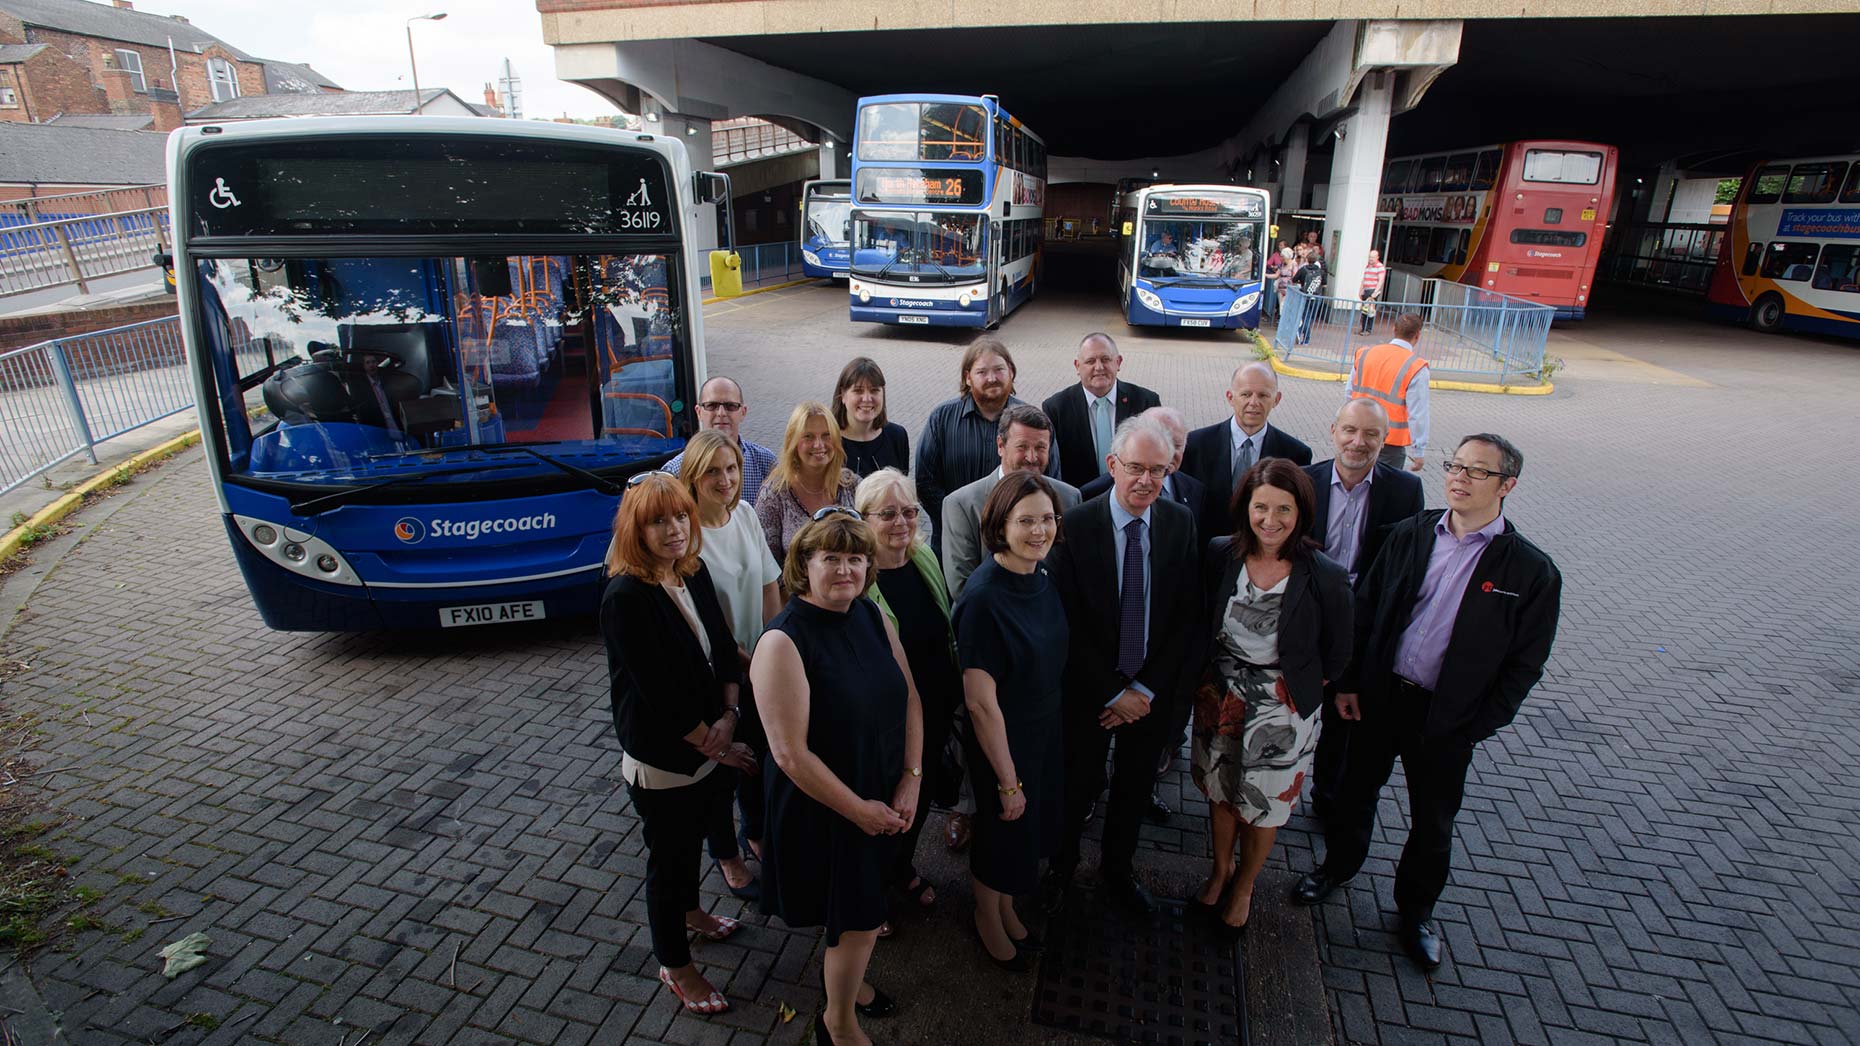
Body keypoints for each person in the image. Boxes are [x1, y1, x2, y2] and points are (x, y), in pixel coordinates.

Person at [1291, 434, 1562, 972]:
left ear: (1508, 485)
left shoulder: (1530, 572)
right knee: (1353, 793)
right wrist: (1347, 683)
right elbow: (1365, 611)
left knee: (1433, 822)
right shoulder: (1412, 534)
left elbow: (1524, 664)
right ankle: (1336, 869)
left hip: (1447, 719)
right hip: (1380, 698)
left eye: (1477, 471)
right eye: (1455, 465)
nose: (1459, 477)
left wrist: (1476, 725)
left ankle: (1414, 913)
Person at [755, 510, 925, 1044]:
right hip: (828, 803)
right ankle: (840, 1021)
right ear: (804, 564)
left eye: (856, 558)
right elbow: (789, 755)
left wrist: (912, 777)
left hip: (881, 795)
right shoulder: (783, 642)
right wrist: (860, 811)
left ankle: (849, 988)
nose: (846, 570)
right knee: (858, 916)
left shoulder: (870, 616)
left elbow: (911, 698)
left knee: (860, 910)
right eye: (831, 557)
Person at [600, 472, 757, 1017]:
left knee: (695, 840)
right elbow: (658, 695)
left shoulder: (693, 570)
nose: (674, 530)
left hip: (714, 739)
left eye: (681, 518)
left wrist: (733, 713)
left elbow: (722, 646)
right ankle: (676, 964)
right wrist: (715, 743)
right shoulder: (626, 596)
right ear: (635, 531)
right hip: (666, 759)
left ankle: (694, 915)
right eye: (658, 521)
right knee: (670, 862)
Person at [1044, 417, 1200, 914]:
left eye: (1158, 470)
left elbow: (1183, 617)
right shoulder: (1076, 523)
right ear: (1113, 465)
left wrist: (1145, 691)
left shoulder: (1179, 522)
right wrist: (1113, 692)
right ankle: (1060, 869)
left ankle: (1118, 870)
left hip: (1149, 694)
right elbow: (1066, 622)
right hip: (1091, 692)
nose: (1146, 481)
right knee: (1076, 785)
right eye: (1135, 468)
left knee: (1133, 790)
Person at [1190, 459, 1351, 936]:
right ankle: (1220, 871)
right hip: (1220, 696)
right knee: (1221, 793)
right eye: (1261, 507)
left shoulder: (1324, 575)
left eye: (1284, 508)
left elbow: (1338, 653)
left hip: (1283, 708)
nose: (1271, 519)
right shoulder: (1221, 554)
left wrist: (1295, 687)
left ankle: (1244, 886)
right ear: (1246, 507)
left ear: (1302, 513)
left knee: (1263, 806)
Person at [952, 471, 1069, 971]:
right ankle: (986, 915)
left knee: (1023, 833)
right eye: (1027, 521)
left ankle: (1004, 907)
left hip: (1043, 729)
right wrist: (1006, 779)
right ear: (1000, 524)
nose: (1040, 530)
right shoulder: (982, 599)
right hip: (1003, 737)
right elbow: (980, 703)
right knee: (1001, 832)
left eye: (1047, 519)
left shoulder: (1038, 575)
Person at [1301, 400, 1425, 822]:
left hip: (1364, 624)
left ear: (1384, 438)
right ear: (1334, 429)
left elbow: (1403, 564)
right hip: (1309, 617)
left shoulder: (1405, 491)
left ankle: (1326, 795)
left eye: (1371, 434)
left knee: (1345, 714)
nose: (1359, 442)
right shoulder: (1305, 482)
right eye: (1350, 430)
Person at [678, 430, 785, 897]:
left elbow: (768, 584)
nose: (725, 480)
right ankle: (726, 854)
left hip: (757, 662)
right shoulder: (687, 538)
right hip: (717, 672)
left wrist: (779, 646)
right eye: (713, 472)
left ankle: (757, 832)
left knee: (758, 757)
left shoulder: (743, 514)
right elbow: (708, 626)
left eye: (732, 469)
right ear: (693, 477)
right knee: (721, 770)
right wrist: (751, 663)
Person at [856, 469, 960, 924]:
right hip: (885, 723)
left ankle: (901, 867)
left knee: (916, 804)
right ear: (863, 519)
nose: (902, 522)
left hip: (933, 709)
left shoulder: (923, 558)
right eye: (888, 514)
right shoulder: (858, 579)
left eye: (909, 511)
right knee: (883, 806)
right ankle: (868, 892)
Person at [915, 338, 1063, 551]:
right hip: (955, 542)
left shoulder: (1034, 423)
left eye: (999, 370)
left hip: (1018, 544)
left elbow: (1051, 480)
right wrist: (959, 520)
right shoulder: (942, 418)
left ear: (1011, 372)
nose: (992, 378)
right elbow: (925, 481)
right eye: (982, 372)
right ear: (967, 377)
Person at [939, 405, 1082, 597]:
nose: (1032, 458)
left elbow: (1073, 573)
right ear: (1000, 446)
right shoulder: (961, 505)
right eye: (1022, 447)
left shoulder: (1069, 498)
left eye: (1040, 447)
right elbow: (962, 585)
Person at [1180, 362, 1313, 541]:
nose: (1254, 403)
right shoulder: (1195, 445)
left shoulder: (1296, 454)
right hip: (1206, 555)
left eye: (1263, 395)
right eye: (1246, 394)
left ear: (1277, 399)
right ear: (1230, 397)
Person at [1040, 332, 1161, 489]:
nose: (1099, 367)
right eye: (1090, 361)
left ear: (1118, 362)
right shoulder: (1056, 408)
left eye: (1106, 359)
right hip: (1079, 501)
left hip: (1133, 495)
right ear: (1077, 366)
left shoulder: (1146, 402)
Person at [757, 402, 859, 564]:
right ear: (793, 442)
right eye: (808, 436)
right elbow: (767, 567)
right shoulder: (774, 494)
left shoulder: (852, 485)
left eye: (826, 435)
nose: (818, 444)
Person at [662, 375, 778, 504]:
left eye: (730, 406)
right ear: (698, 412)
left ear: (743, 412)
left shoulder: (766, 463)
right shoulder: (676, 471)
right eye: (712, 405)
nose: (721, 413)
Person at [1346, 312, 1431, 472]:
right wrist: (1418, 450)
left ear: (1394, 329)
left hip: (1358, 433)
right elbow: (1418, 412)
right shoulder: (1416, 367)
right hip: (1389, 443)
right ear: (1418, 335)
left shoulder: (1365, 354)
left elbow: (1349, 393)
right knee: (1384, 490)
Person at [833, 357, 911, 477]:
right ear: (843, 394)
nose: (867, 399)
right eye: (858, 391)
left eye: (874, 390)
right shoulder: (829, 441)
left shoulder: (897, 436)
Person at [1292, 247, 1326, 346]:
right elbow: (1324, 283)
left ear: (1307, 260)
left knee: (1305, 316)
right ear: (1316, 260)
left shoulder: (1303, 269)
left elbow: (1294, 279)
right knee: (1310, 318)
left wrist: (1301, 282)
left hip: (1306, 295)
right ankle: (1306, 339)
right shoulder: (1321, 271)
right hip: (1317, 297)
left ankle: (1301, 332)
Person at [1359, 250, 1387, 335]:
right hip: (1366, 289)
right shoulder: (1368, 266)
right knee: (1364, 311)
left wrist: (1375, 292)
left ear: (1377, 257)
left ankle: (1368, 330)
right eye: (1370, 257)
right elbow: (1364, 278)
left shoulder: (1380, 267)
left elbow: (1381, 280)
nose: (1370, 259)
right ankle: (1363, 329)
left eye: (1373, 257)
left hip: (1372, 290)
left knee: (1370, 311)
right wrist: (1361, 289)